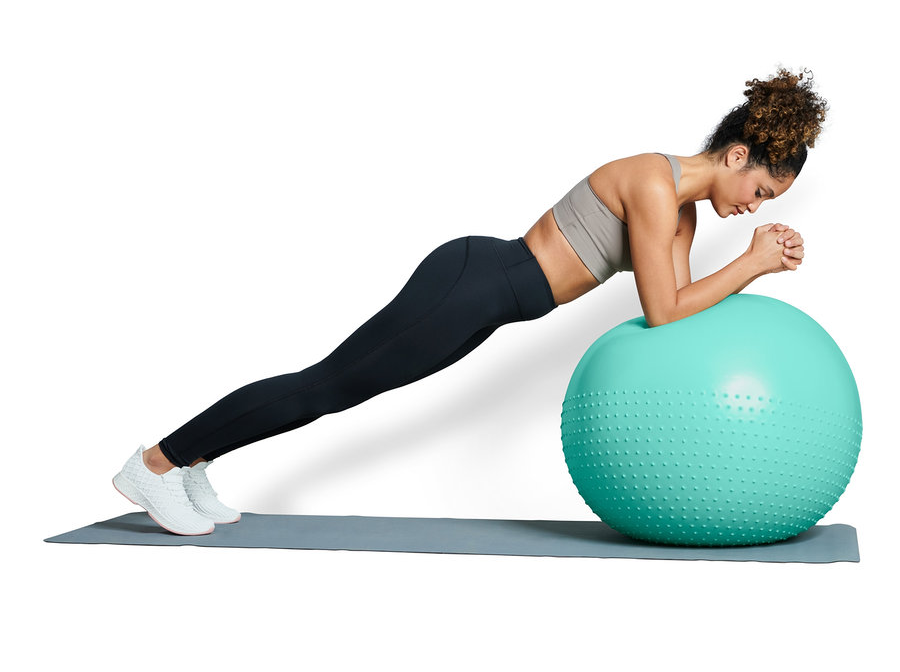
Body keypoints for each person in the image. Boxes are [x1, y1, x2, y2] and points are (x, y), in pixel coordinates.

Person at [113, 67, 828, 535]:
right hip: (476, 281)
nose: (754, 206)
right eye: (761, 190)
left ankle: (193, 463)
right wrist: (753, 261)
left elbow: (664, 310)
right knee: (327, 386)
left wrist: (752, 269)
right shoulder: (651, 183)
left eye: (767, 204)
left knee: (334, 388)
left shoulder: (683, 215)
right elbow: (670, 307)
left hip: (491, 301)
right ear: (738, 156)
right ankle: (156, 463)